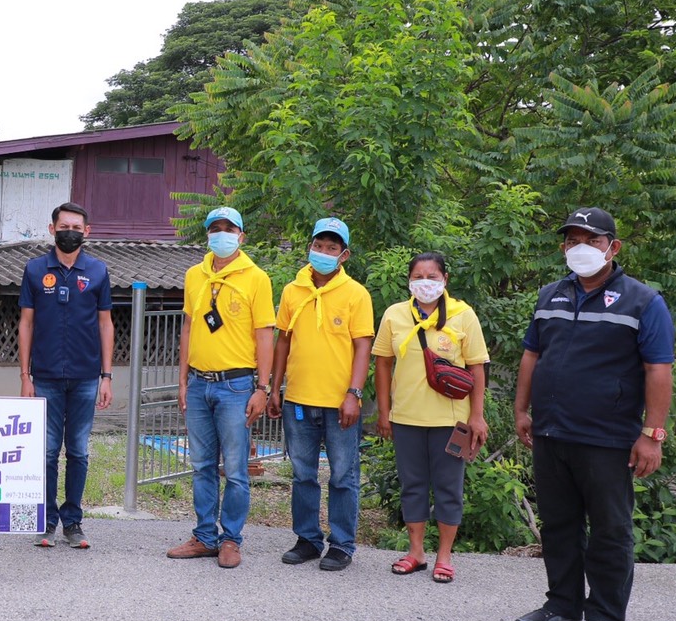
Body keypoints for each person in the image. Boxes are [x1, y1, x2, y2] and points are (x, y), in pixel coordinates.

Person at [513, 207, 674, 621]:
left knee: (609, 528)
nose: (579, 248)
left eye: (591, 240)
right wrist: (522, 409)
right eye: (572, 240)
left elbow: (658, 370)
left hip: (607, 438)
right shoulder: (550, 295)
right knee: (559, 524)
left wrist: (652, 434)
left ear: (613, 247)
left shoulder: (643, 301)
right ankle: (563, 606)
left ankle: (603, 615)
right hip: (551, 432)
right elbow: (532, 356)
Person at [165, 206, 275, 568]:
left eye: (229, 228)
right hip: (198, 384)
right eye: (215, 228)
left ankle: (231, 539)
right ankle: (204, 536)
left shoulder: (256, 277)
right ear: (207, 235)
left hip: (236, 385)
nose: (222, 234)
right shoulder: (194, 274)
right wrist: (182, 381)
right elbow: (188, 327)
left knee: (237, 469)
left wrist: (263, 387)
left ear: (242, 236)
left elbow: (264, 335)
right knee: (201, 466)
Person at [372, 252, 490, 584]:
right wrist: (384, 412)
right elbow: (382, 362)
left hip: (452, 421)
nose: (426, 282)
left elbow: (477, 367)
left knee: (449, 488)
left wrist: (477, 416)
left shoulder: (463, 315)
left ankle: (445, 557)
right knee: (412, 486)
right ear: (409, 280)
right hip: (407, 417)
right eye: (419, 276)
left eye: (433, 276)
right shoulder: (395, 314)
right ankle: (416, 552)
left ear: (445, 279)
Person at [268, 217, 374, 572]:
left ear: (344, 255)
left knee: (343, 475)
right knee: (303, 474)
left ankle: (342, 544)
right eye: (319, 246)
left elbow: (363, 347)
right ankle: (308, 539)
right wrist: (274, 388)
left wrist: (354, 393)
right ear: (309, 247)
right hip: (298, 399)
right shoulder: (292, 290)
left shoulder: (356, 294)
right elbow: (283, 342)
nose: (324, 253)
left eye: (332, 248)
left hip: (339, 403)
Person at [17, 201, 114, 550]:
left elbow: (106, 324)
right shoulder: (34, 270)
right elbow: (26, 324)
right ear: (52, 229)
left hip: (87, 377)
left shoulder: (99, 271)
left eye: (77, 227)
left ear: (87, 232)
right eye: (64, 226)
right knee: (45, 452)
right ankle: (47, 521)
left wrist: (107, 375)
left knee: (78, 451)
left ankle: (74, 521)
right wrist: (25, 375)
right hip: (44, 377)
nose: (70, 232)